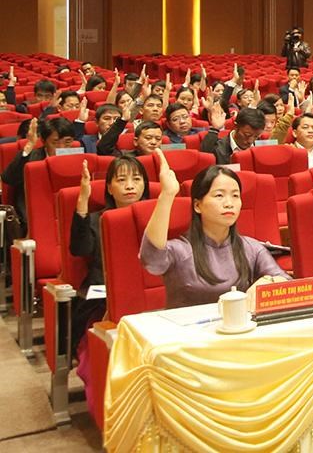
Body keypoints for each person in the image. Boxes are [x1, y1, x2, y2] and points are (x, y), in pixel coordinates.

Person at [140, 154, 288, 309]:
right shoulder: (181, 250)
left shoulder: (251, 248)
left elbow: (285, 282)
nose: (229, 203)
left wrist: (269, 281)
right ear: (197, 205)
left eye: (235, 195)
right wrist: (167, 195)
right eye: (219, 195)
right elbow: (152, 260)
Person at [70, 155, 149, 358]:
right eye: (121, 180)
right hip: (103, 300)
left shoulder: (156, 219)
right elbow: (80, 249)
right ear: (109, 188)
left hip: (148, 297)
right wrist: (83, 200)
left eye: (136, 179)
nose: (130, 186)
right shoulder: (98, 219)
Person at [3, 117, 78, 222]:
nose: (62, 148)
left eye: (67, 142)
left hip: (68, 207)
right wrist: (30, 145)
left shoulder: (77, 157)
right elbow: (8, 179)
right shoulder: (31, 157)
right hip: (35, 209)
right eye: (55, 142)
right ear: (43, 141)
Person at [200, 105, 266, 164]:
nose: (250, 141)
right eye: (247, 135)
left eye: (256, 136)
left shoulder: (262, 146)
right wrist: (215, 129)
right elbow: (205, 159)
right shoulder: (219, 148)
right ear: (236, 126)